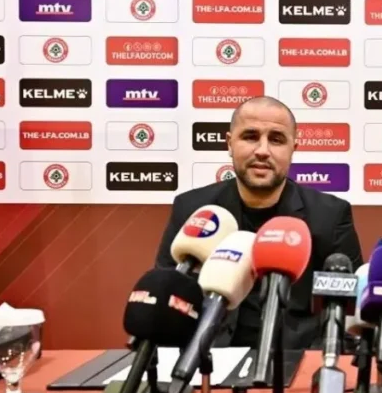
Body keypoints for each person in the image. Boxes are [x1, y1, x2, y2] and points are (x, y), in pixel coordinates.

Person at [154, 96, 364, 350]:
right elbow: (166, 302)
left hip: (294, 359)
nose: (263, 151)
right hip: (208, 357)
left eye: (276, 139)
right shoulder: (193, 209)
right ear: (229, 143)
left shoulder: (330, 215)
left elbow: (346, 315)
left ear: (293, 148)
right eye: (250, 137)